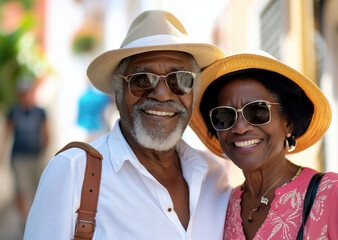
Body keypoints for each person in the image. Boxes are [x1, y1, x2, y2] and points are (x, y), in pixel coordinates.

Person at [24, 10, 232, 239]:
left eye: (180, 80)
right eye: (142, 80)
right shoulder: (73, 171)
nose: (162, 95)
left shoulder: (214, 177)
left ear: (193, 92)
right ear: (118, 93)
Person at [190, 50, 338, 239]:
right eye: (225, 116)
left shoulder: (333, 193)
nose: (239, 128)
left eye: (257, 112)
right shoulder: (221, 208)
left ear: (287, 122)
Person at [1, 79, 49, 224]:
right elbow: (7, 133)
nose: (25, 96)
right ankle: (25, 221)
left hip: (35, 156)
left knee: (38, 187)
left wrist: (43, 151)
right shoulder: (13, 111)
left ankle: (37, 218)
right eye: (22, 93)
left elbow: (46, 132)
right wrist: (2, 155)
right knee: (21, 189)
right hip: (19, 156)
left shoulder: (40, 112)